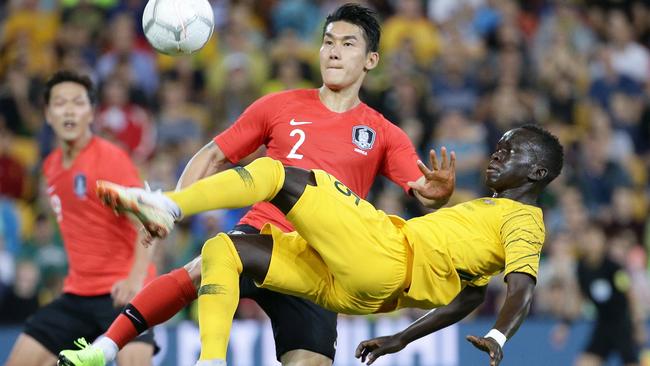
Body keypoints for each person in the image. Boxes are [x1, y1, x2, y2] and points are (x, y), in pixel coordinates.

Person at [58, 4, 448, 366]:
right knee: (207, 263)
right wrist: (173, 207)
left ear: (370, 60)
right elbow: (212, 154)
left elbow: (420, 189)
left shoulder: (384, 133)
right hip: (262, 232)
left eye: (348, 44)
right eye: (328, 42)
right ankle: (105, 348)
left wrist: (436, 193)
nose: (333, 52)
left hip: (321, 263)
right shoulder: (277, 106)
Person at [79, 124, 561, 366]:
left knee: (275, 173)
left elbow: (522, 286)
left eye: (510, 150)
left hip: (384, 252)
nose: (496, 154)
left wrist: (499, 337)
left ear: (537, 173)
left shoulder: (523, 221)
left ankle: (169, 206)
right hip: (353, 291)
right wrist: (400, 339)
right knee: (223, 251)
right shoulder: (488, 216)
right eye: (497, 146)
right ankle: (211, 359)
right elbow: (471, 295)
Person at [4, 70, 157, 366]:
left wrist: (135, 279)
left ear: (91, 113)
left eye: (78, 102)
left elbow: (150, 220)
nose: (70, 109)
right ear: (48, 115)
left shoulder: (109, 158)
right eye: (60, 103)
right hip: (78, 294)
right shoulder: (50, 167)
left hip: (123, 290)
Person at [551, 225, 644, 366]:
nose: (592, 242)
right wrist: (565, 325)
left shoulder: (614, 268)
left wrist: (638, 325)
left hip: (623, 326)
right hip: (602, 326)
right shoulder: (581, 269)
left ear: (603, 241)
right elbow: (578, 299)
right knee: (584, 362)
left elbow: (630, 296)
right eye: (589, 238)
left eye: (596, 238)